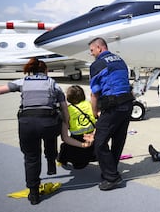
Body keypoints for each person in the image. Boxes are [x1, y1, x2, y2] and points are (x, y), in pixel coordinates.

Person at [0, 58, 72, 205]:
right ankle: (51, 161)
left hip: (27, 124)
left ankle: (33, 193)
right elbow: (64, 108)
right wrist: (67, 123)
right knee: (51, 131)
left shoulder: (23, 82)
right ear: (46, 71)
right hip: (48, 125)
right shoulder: (53, 84)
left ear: (30, 70)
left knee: (31, 157)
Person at [88, 37, 134, 191]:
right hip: (127, 105)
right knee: (118, 141)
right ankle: (111, 171)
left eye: (92, 50)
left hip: (113, 107)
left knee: (99, 143)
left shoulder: (97, 64)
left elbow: (95, 94)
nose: (91, 54)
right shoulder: (120, 60)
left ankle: (112, 177)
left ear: (100, 48)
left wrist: (95, 113)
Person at [57, 85, 97, 169]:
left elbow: (65, 137)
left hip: (76, 140)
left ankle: (61, 160)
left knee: (65, 147)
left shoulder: (67, 110)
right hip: (92, 138)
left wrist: (83, 145)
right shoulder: (89, 104)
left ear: (68, 98)